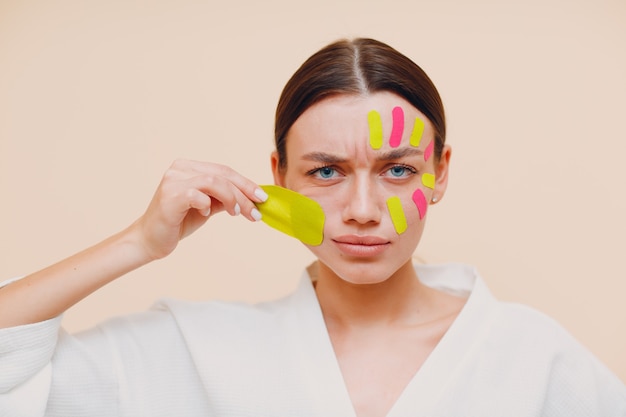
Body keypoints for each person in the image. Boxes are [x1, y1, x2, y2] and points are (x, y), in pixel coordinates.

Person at [0, 38, 624, 417]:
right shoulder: (196, 350)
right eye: (326, 171)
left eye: (397, 169)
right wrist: (138, 242)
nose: (361, 207)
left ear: (440, 172)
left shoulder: (532, 356)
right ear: (279, 175)